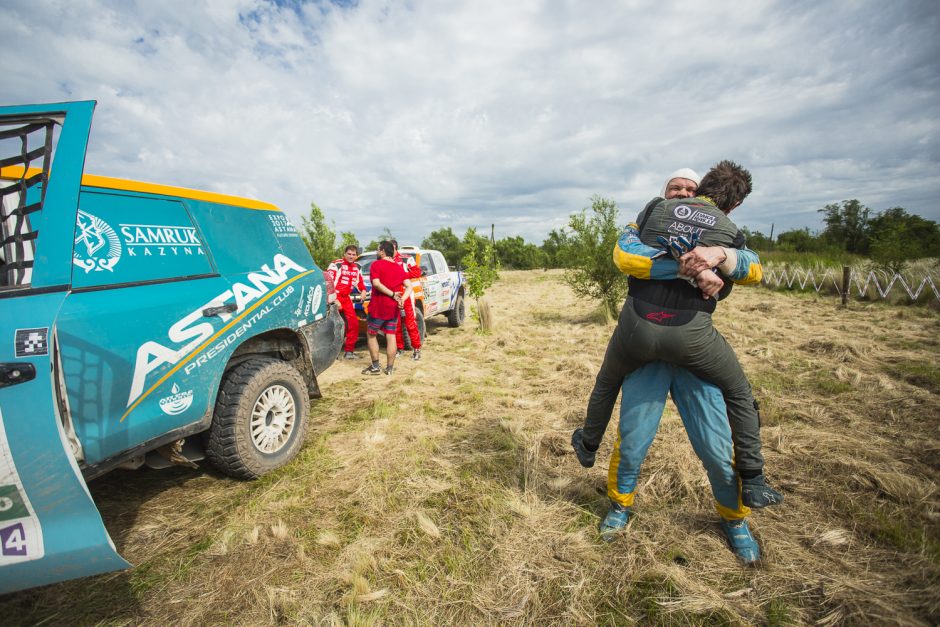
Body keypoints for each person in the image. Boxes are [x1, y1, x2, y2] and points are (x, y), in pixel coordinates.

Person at [573, 162, 782, 508]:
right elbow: (625, 255)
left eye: (690, 189)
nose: (683, 194)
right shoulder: (723, 227)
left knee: (607, 381)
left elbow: (733, 280)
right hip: (688, 335)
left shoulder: (657, 214)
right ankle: (755, 477)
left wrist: (716, 259)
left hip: (642, 329)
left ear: (701, 190)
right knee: (738, 392)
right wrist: (696, 269)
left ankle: (588, 443)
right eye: (676, 188)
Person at [600, 362, 761, 563]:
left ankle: (734, 518)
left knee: (719, 451)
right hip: (646, 357)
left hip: (696, 357)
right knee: (631, 444)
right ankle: (619, 504)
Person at [362, 241, 412, 375]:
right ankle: (389, 369)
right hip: (393, 309)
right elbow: (409, 286)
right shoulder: (399, 267)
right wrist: (402, 299)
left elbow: (376, 284)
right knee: (391, 336)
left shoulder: (376, 265)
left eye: (378, 250)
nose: (377, 252)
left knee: (371, 335)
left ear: (383, 251)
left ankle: (375, 367)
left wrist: (393, 294)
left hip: (379, 307)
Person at [326, 245, 368, 359]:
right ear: (344, 254)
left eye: (354, 254)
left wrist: (363, 290)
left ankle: (349, 352)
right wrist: (334, 299)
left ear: (356, 256)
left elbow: (360, 282)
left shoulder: (357, 267)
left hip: (346, 298)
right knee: (334, 325)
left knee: (354, 324)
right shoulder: (336, 264)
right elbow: (328, 281)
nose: (351, 256)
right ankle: (330, 354)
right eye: (349, 254)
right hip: (334, 297)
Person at [390, 240, 423, 360]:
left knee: (410, 322)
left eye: (391, 248)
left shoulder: (406, 258)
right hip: (392, 294)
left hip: (407, 293)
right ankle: (399, 348)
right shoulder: (384, 259)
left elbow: (417, 272)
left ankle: (417, 349)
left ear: (395, 248)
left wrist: (402, 276)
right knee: (395, 324)